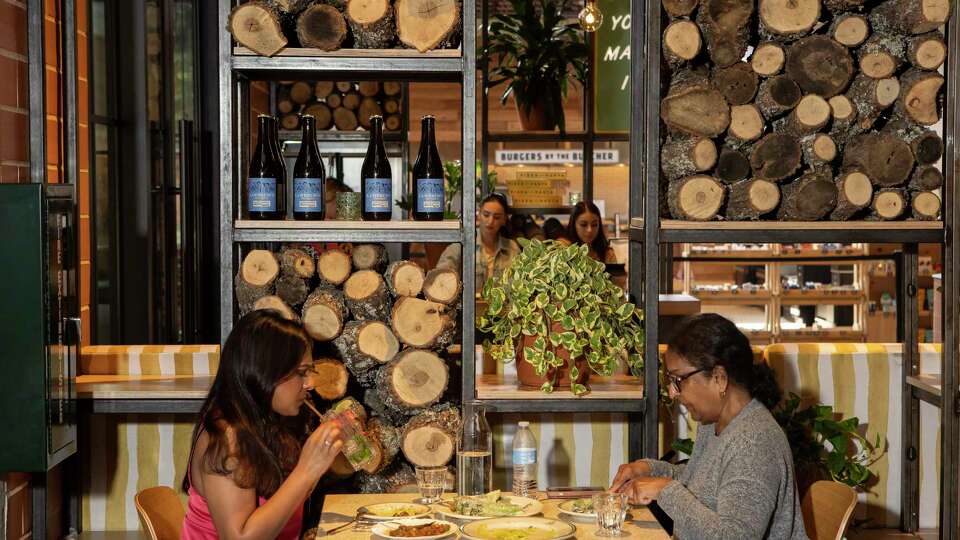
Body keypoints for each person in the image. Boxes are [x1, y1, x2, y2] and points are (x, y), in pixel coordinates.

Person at [610, 314, 808, 540]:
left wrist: (665, 491)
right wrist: (649, 470)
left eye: (678, 380)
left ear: (719, 378)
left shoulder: (754, 443)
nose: (673, 392)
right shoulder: (715, 423)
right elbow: (706, 482)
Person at [181, 310, 345, 540]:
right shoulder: (228, 435)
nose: (310, 383)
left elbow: (284, 502)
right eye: (301, 373)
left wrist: (323, 456)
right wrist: (307, 470)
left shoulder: (269, 420)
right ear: (264, 373)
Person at [476, 192, 520, 285]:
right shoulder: (463, 247)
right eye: (486, 215)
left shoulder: (512, 248)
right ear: (479, 215)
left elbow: (520, 283)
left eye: (496, 217)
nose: (490, 221)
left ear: (504, 220)